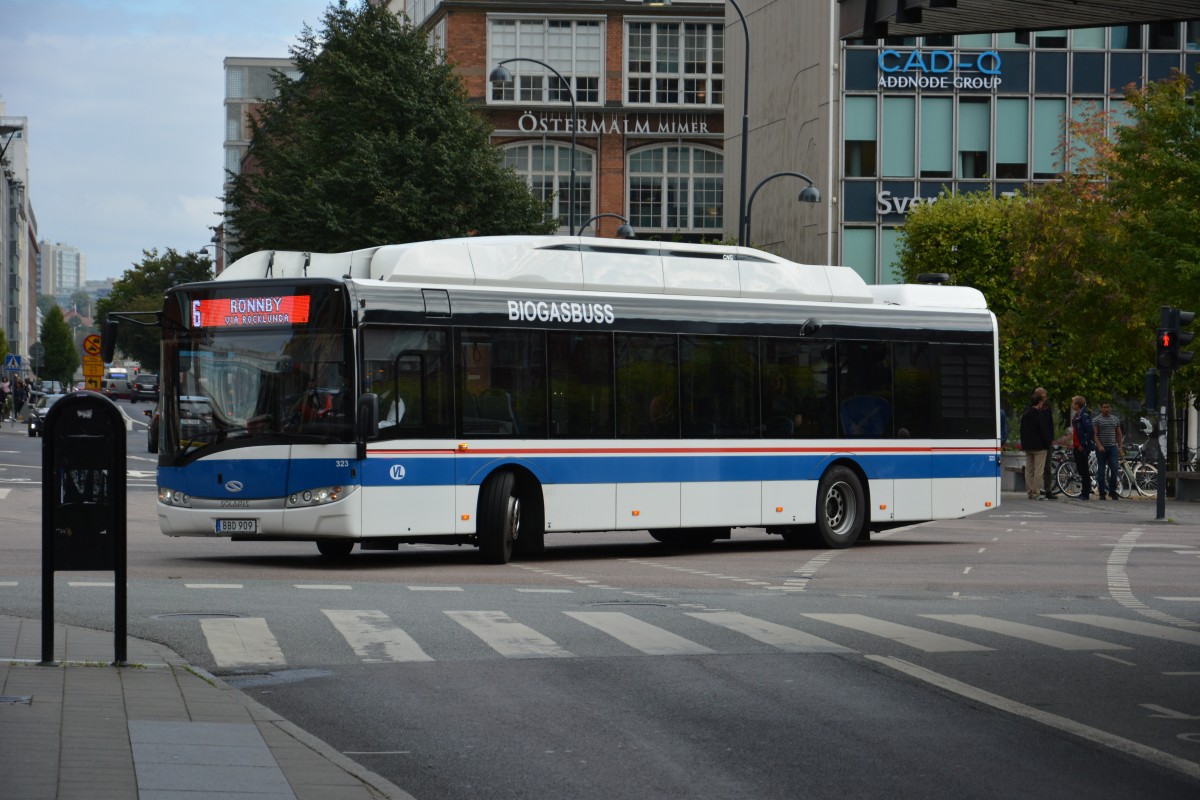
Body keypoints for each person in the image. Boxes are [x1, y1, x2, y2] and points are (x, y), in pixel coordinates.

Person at [1019, 390, 1053, 500]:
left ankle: (1029, 492)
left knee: (1029, 470)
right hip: (1040, 447)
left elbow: (1022, 430)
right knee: (1039, 471)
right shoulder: (1039, 415)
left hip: (1028, 446)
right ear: (1039, 402)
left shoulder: (1025, 414)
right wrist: (1048, 443)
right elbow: (1044, 431)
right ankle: (1036, 493)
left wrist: (1024, 444)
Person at [1093, 401, 1124, 500]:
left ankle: (1112, 491)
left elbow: (1119, 434)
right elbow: (1094, 434)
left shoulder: (1115, 419)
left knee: (1114, 469)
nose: (1106, 409)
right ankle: (1102, 492)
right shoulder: (1097, 420)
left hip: (1112, 448)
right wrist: (1099, 445)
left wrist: (1120, 447)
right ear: (1101, 408)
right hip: (1101, 448)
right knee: (1101, 471)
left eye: (1108, 407)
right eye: (1104, 407)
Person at [1070, 395, 1096, 501]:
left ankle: (1085, 493)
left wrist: (1083, 444)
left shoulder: (1084, 416)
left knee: (1084, 470)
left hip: (1082, 447)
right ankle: (1085, 491)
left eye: (1073, 403)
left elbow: (1090, 431)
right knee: (1081, 470)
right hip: (1076, 446)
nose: (1072, 405)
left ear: (1077, 405)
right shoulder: (1077, 416)